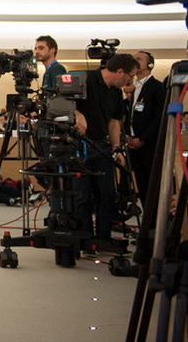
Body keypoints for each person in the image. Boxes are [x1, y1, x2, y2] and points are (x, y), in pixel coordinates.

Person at [73, 53, 139, 241]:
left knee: (107, 195)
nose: (130, 81)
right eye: (130, 76)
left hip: (102, 146)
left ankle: (103, 239)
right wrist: (77, 113)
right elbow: (61, 101)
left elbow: (114, 121)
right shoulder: (85, 79)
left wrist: (116, 148)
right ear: (120, 72)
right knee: (83, 196)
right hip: (80, 146)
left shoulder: (115, 92)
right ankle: (85, 239)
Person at [127, 51, 165, 201]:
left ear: (150, 65)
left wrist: (142, 139)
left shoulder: (157, 87)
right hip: (134, 146)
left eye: (139, 59)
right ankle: (147, 221)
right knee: (141, 186)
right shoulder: (135, 87)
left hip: (149, 146)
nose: (135, 61)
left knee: (153, 186)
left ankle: (156, 221)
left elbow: (159, 117)